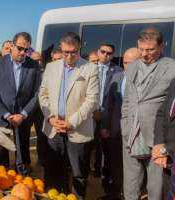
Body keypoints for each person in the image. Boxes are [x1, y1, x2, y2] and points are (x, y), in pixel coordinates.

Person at [39, 32, 99, 198]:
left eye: (73, 52)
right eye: (66, 52)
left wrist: (71, 122)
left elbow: (92, 100)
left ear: (79, 49)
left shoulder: (90, 68)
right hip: (54, 129)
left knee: (78, 173)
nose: (69, 56)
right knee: (54, 170)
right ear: (61, 49)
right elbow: (43, 94)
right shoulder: (52, 67)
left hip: (77, 130)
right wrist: (50, 118)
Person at [122, 27, 175, 200]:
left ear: (161, 46)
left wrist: (166, 142)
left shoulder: (171, 68)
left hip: (157, 140)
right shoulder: (132, 68)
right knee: (130, 189)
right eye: (141, 49)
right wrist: (124, 126)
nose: (144, 54)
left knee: (156, 190)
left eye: (150, 49)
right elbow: (128, 101)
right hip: (130, 137)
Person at [0, 32, 41, 175]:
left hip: (22, 118)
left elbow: (37, 94)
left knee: (22, 156)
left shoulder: (34, 66)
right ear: (11, 45)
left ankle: (22, 182)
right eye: (20, 48)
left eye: (27, 50)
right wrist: (6, 114)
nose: (23, 52)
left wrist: (23, 115)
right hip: (0, 117)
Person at [100, 47, 140, 199]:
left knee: (134, 168)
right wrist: (105, 126)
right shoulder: (117, 76)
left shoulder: (145, 80)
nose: (127, 66)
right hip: (116, 131)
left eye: (132, 63)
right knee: (116, 164)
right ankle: (117, 193)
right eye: (125, 63)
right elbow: (108, 104)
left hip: (137, 134)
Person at [93, 44, 122, 188]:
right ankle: (91, 170)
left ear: (112, 55)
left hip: (107, 116)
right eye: (103, 52)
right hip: (89, 114)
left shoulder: (118, 71)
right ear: (98, 52)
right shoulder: (88, 68)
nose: (105, 55)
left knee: (105, 148)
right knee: (87, 147)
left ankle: (105, 179)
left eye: (109, 53)